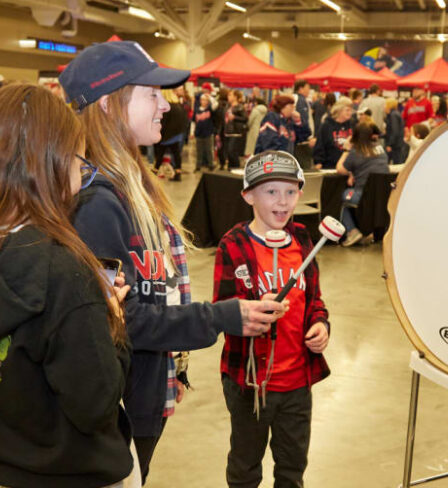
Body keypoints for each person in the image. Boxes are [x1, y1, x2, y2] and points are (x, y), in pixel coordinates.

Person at [60, 41, 287, 483]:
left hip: (143, 388)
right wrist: (222, 316)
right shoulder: (97, 203)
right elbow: (117, 319)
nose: (167, 104)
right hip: (116, 407)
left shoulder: (132, 184)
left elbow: (153, 285)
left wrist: (173, 367)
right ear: (108, 104)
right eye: (152, 94)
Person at [0, 84, 135, 487]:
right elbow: (96, 404)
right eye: (80, 163)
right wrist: (111, 321)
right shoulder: (64, 271)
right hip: (73, 473)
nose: (82, 178)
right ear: (49, 165)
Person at [214, 150, 330, 488]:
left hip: (297, 383)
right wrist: (250, 308)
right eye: (270, 192)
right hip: (248, 384)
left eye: (291, 191)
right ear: (248, 195)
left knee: (292, 468)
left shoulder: (305, 240)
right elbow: (221, 310)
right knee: (245, 467)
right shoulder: (233, 246)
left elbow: (315, 301)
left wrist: (321, 325)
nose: (282, 202)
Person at [337, 121, 389, 247]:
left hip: (363, 196)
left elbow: (340, 169)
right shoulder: (380, 149)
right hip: (384, 197)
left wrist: (346, 149)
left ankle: (352, 232)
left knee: (343, 197)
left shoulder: (356, 152)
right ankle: (367, 232)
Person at [154, 88, 187, 181]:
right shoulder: (178, 105)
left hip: (166, 135)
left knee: (160, 154)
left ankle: (155, 171)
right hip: (177, 135)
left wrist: (158, 134)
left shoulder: (166, 107)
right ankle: (178, 173)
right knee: (176, 154)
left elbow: (163, 123)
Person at [313, 96, 355, 169]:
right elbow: (320, 145)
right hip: (330, 166)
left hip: (349, 166)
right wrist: (318, 162)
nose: (350, 113)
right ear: (339, 110)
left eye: (351, 110)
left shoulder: (352, 124)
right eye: (347, 110)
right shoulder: (327, 125)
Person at [194, 92, 216, 171]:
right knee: (199, 150)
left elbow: (215, 104)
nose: (203, 102)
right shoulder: (197, 109)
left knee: (209, 150)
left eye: (205, 100)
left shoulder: (210, 109)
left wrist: (210, 97)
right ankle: (198, 165)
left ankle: (211, 164)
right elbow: (194, 120)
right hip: (199, 133)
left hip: (208, 133)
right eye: (202, 100)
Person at [384, 97, 408, 164]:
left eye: (385, 104)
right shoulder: (395, 114)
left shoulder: (393, 115)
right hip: (397, 144)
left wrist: (390, 144)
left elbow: (395, 131)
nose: (384, 107)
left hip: (395, 145)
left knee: (395, 163)